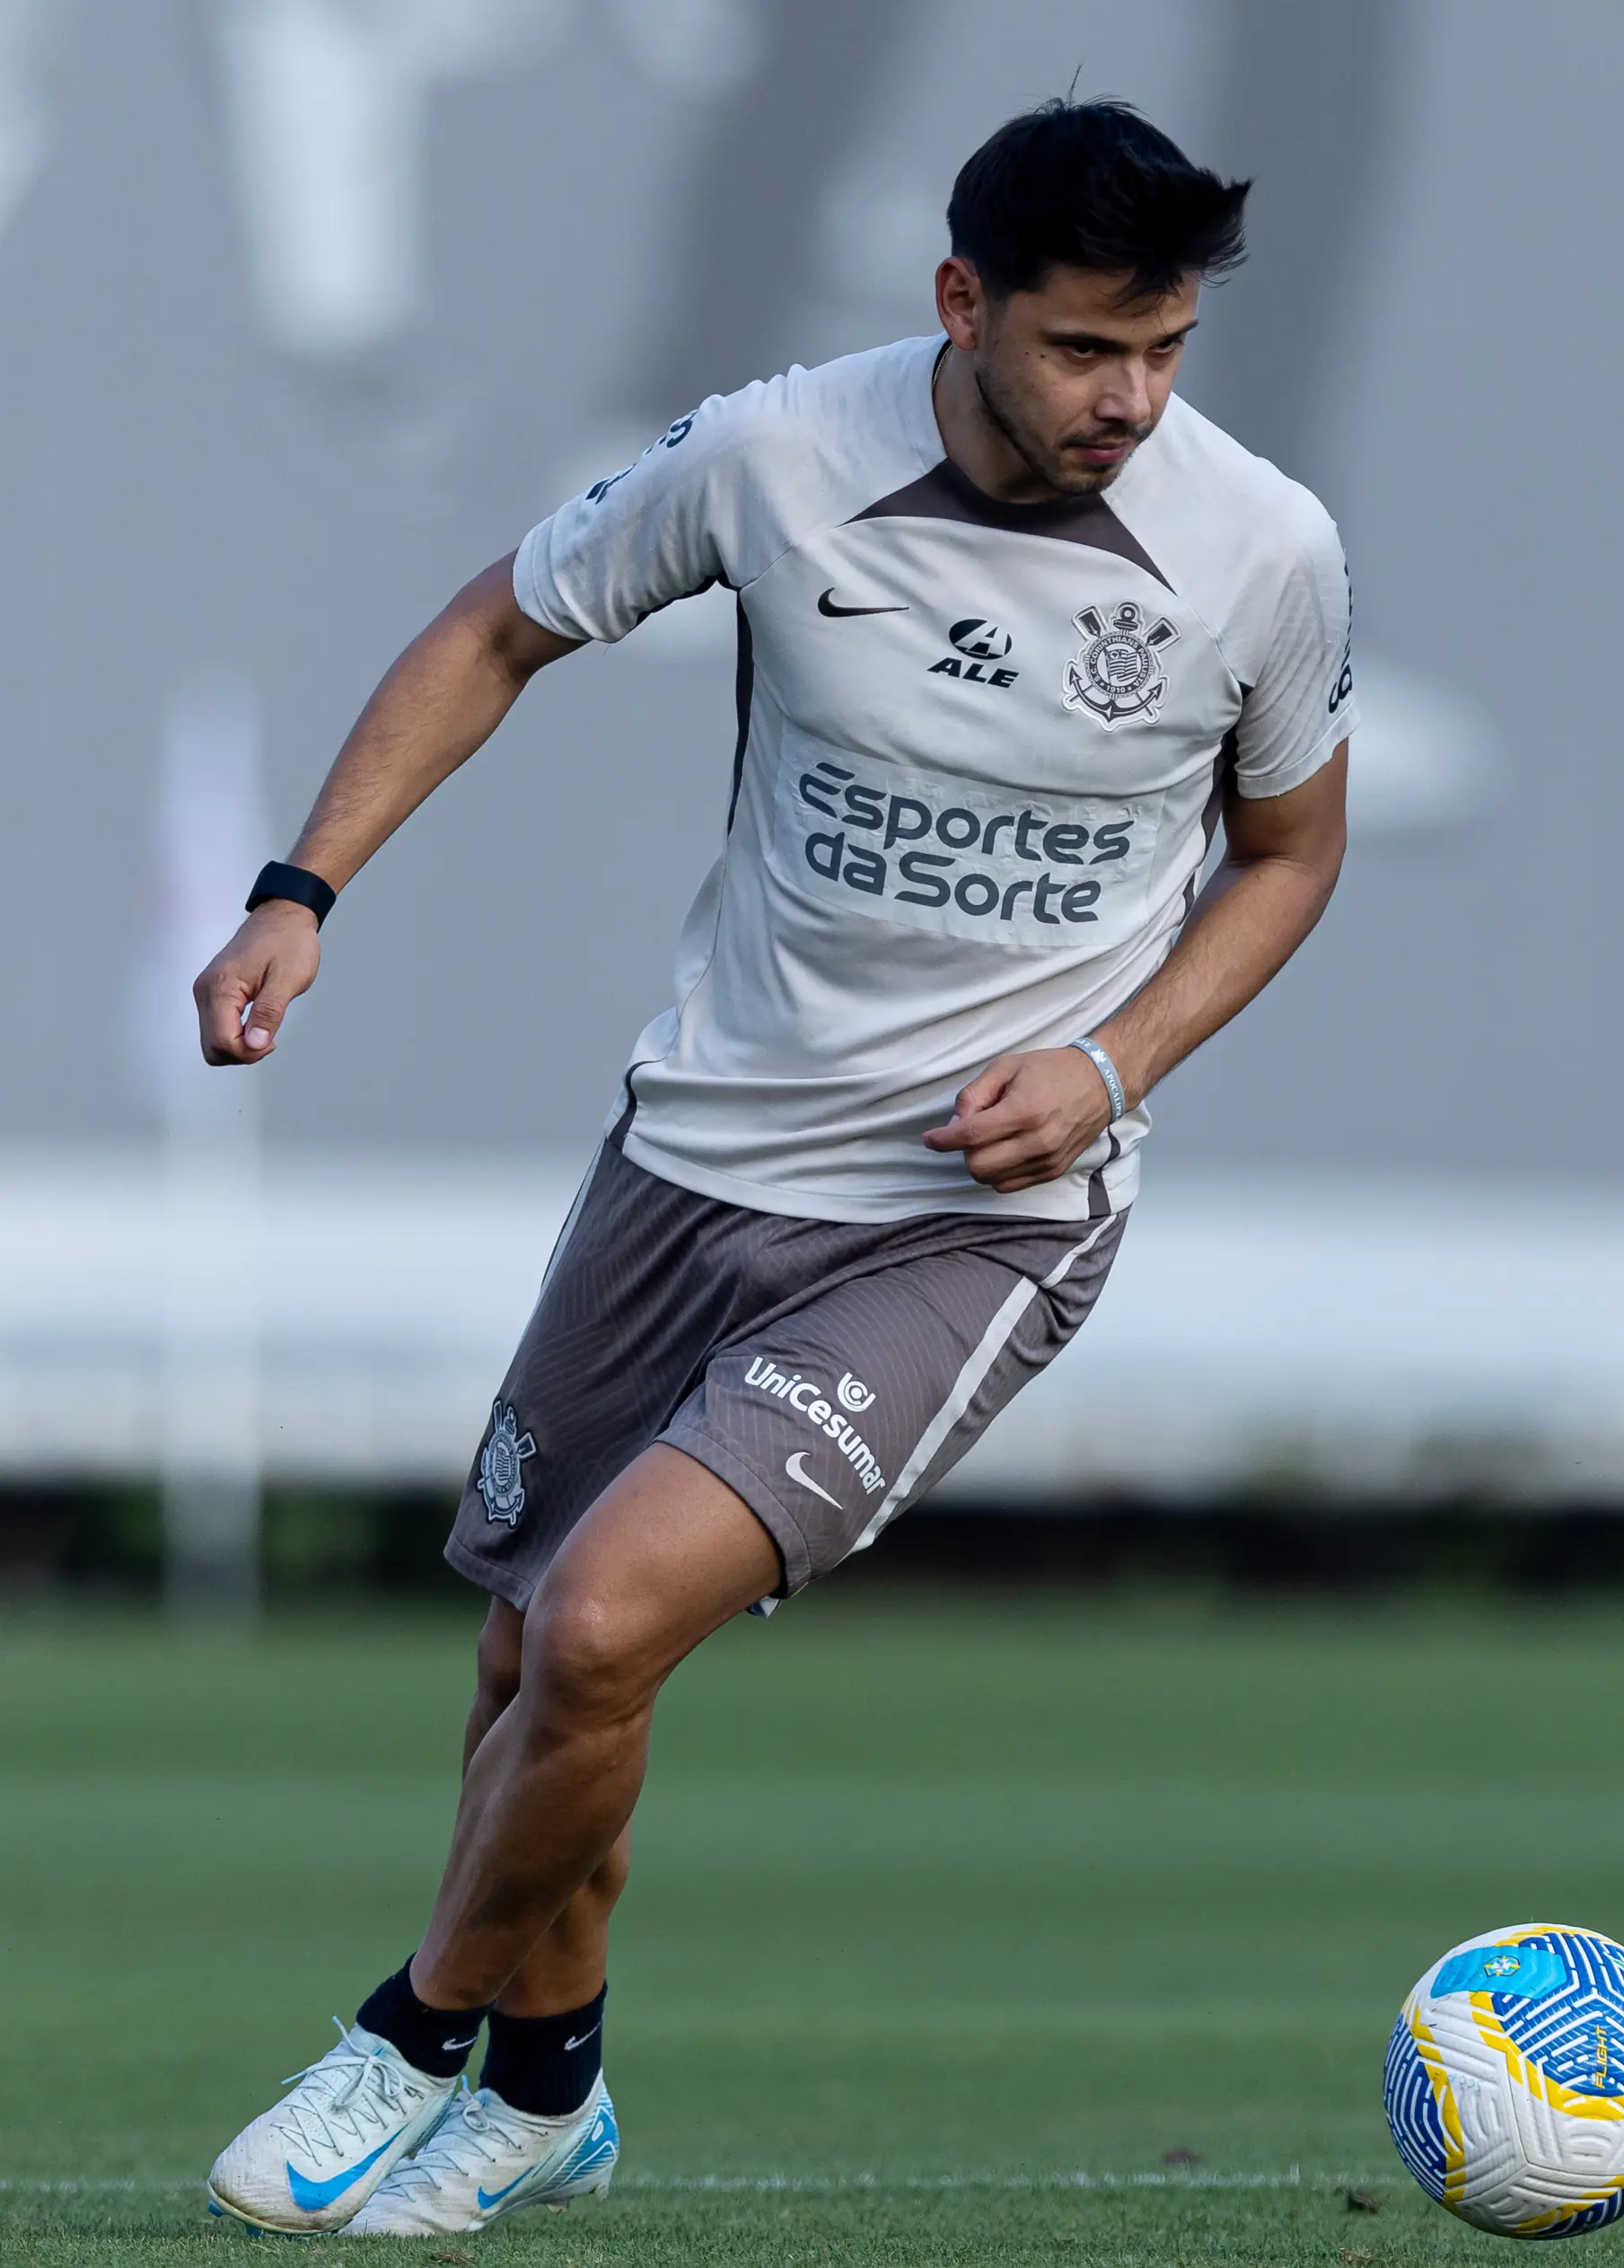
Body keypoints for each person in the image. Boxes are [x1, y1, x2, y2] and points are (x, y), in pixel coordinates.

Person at [191, 100, 1355, 2238]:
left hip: (965, 1222)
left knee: (605, 1628)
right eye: (1090, 345)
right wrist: (301, 889)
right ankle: (550, 2090)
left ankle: (409, 2033)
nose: (1133, 397)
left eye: (1167, 348)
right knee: (523, 1662)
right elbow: (494, 631)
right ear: (959, 306)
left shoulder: (1262, 548)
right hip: (694, 1158)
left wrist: (1112, 1059)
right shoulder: (772, 455)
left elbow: (1291, 855)